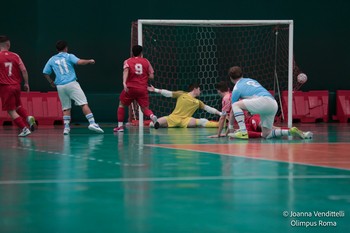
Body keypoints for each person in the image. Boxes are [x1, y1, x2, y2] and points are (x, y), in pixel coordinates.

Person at [226, 66, 311, 139]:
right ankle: (290, 132)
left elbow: (233, 110)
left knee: (235, 105)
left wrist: (230, 127)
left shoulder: (236, 89)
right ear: (242, 74)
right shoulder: (251, 80)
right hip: (273, 103)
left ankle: (243, 132)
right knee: (266, 134)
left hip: (263, 101)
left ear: (230, 78)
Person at [43, 40, 104, 135]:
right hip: (71, 83)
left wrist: (51, 82)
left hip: (60, 86)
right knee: (83, 103)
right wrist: (90, 61)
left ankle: (66, 128)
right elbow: (79, 62)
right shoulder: (69, 56)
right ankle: (92, 123)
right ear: (66, 48)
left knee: (66, 107)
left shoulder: (52, 59)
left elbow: (45, 72)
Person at [114, 45, 158, 132]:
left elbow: (126, 71)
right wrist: (144, 76)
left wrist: (124, 82)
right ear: (141, 52)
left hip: (130, 88)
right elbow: (152, 76)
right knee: (145, 109)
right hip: (142, 89)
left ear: (132, 52)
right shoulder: (146, 61)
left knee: (121, 104)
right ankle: (152, 116)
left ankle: (120, 126)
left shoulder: (128, 61)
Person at [0, 35, 36, 137]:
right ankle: (28, 118)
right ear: (8, 44)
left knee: (10, 110)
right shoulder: (16, 55)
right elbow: (24, 70)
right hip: (16, 86)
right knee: (18, 106)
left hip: (5, 87)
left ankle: (24, 129)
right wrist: (26, 83)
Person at [147, 83, 223, 128]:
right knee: (152, 124)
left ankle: (219, 124)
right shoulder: (182, 94)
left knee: (202, 121)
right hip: (173, 118)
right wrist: (155, 90)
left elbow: (208, 108)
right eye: (199, 89)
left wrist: (220, 113)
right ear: (195, 89)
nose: (200, 91)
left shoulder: (198, 102)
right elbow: (168, 93)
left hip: (185, 120)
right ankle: (155, 123)